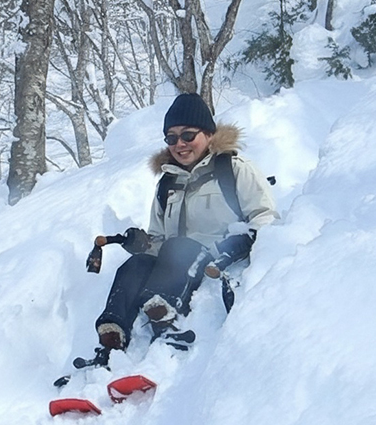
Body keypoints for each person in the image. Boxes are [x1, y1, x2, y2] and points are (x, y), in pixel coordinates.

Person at [93, 93, 278, 351]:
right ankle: (112, 334)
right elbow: (160, 241)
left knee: (178, 247)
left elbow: (265, 217)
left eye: (188, 135)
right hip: (174, 264)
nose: (179, 144)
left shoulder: (233, 169)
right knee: (136, 264)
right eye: (171, 138)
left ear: (209, 134)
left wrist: (242, 242)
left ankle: (163, 313)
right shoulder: (167, 183)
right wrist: (143, 243)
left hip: (215, 260)